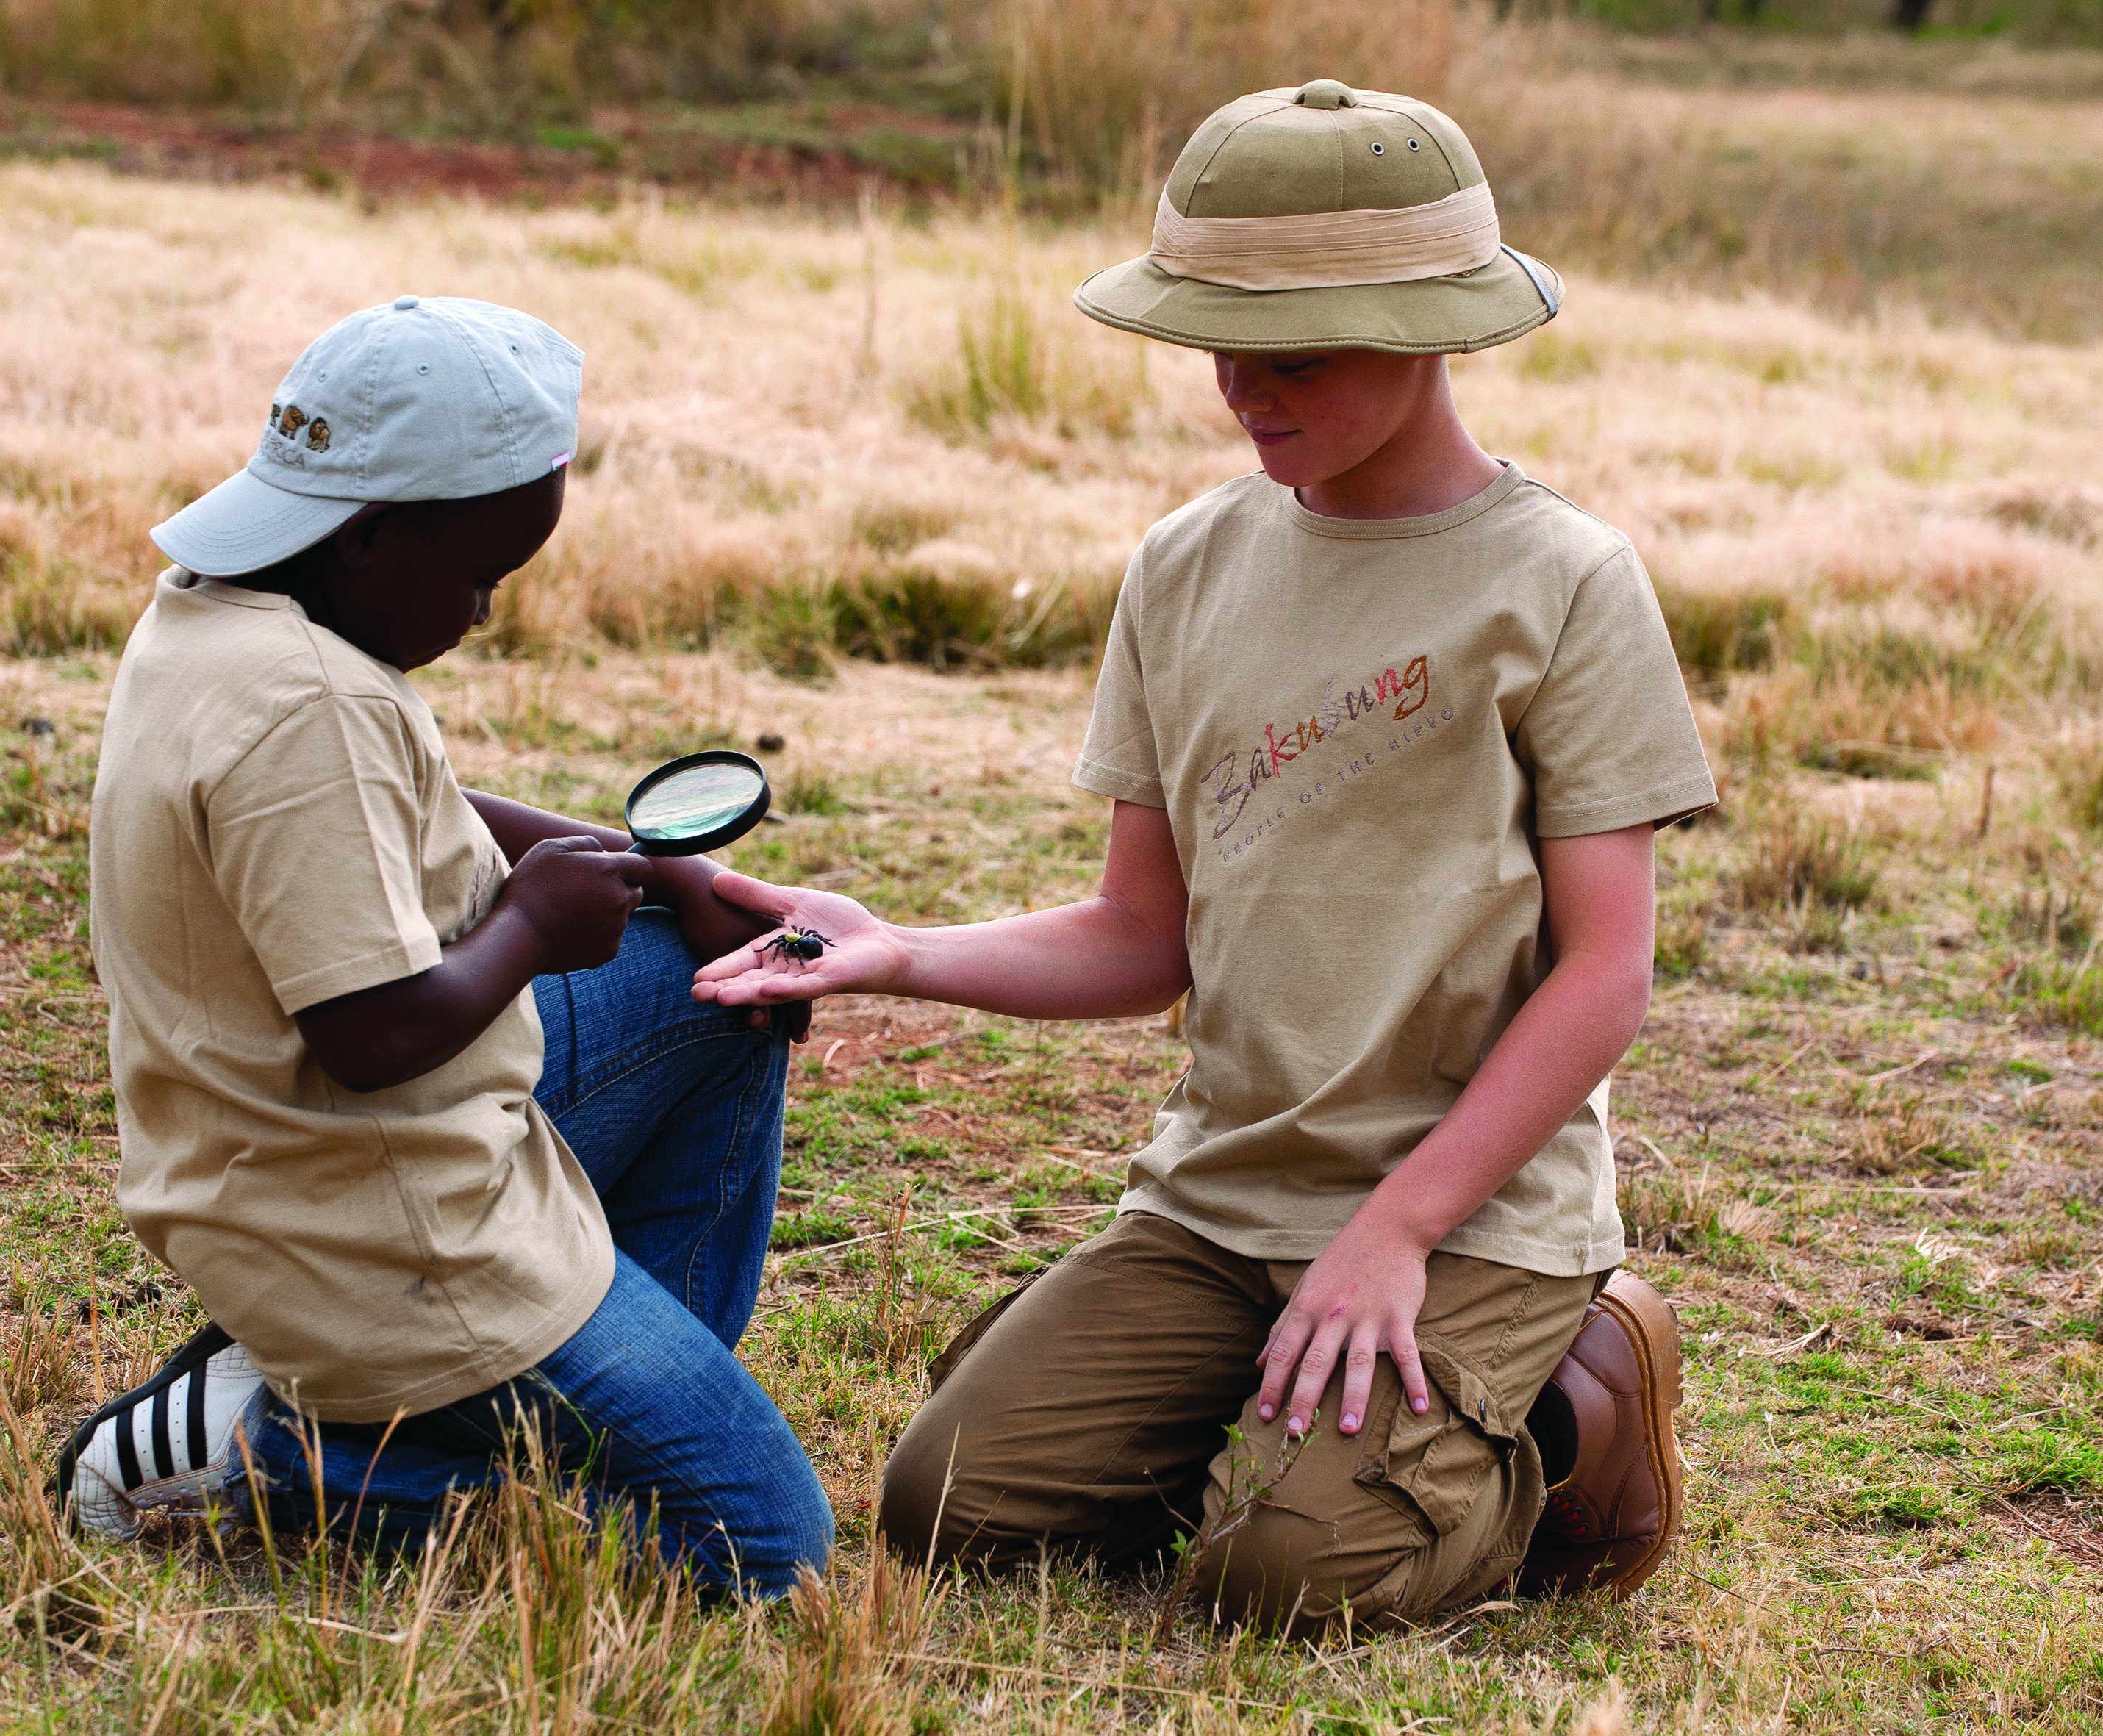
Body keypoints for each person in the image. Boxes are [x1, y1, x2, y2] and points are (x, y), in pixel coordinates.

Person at [691, 82, 1711, 1630]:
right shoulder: (1184, 563)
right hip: (1219, 1201)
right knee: (946, 1503)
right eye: (1213, 341)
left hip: (1465, 1218)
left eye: (1289, 352)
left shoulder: (1562, 581)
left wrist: (1395, 1228)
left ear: (1434, 327)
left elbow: (1604, 972)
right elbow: (1137, 931)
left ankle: (1578, 1403)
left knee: (1284, 1580)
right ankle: (1274, 1408)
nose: (1240, 386)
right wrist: (901, 951)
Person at [60, 295, 831, 1599]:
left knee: (712, 993)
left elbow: (406, 813)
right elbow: (369, 1040)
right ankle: (287, 1453)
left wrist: (658, 868)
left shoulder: (217, 622)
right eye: (482, 575)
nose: (483, 611)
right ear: (366, 541)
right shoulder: (310, 700)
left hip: (271, 1161)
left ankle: (560, 1407)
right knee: (765, 1553)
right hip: (381, 1212)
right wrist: (530, 924)